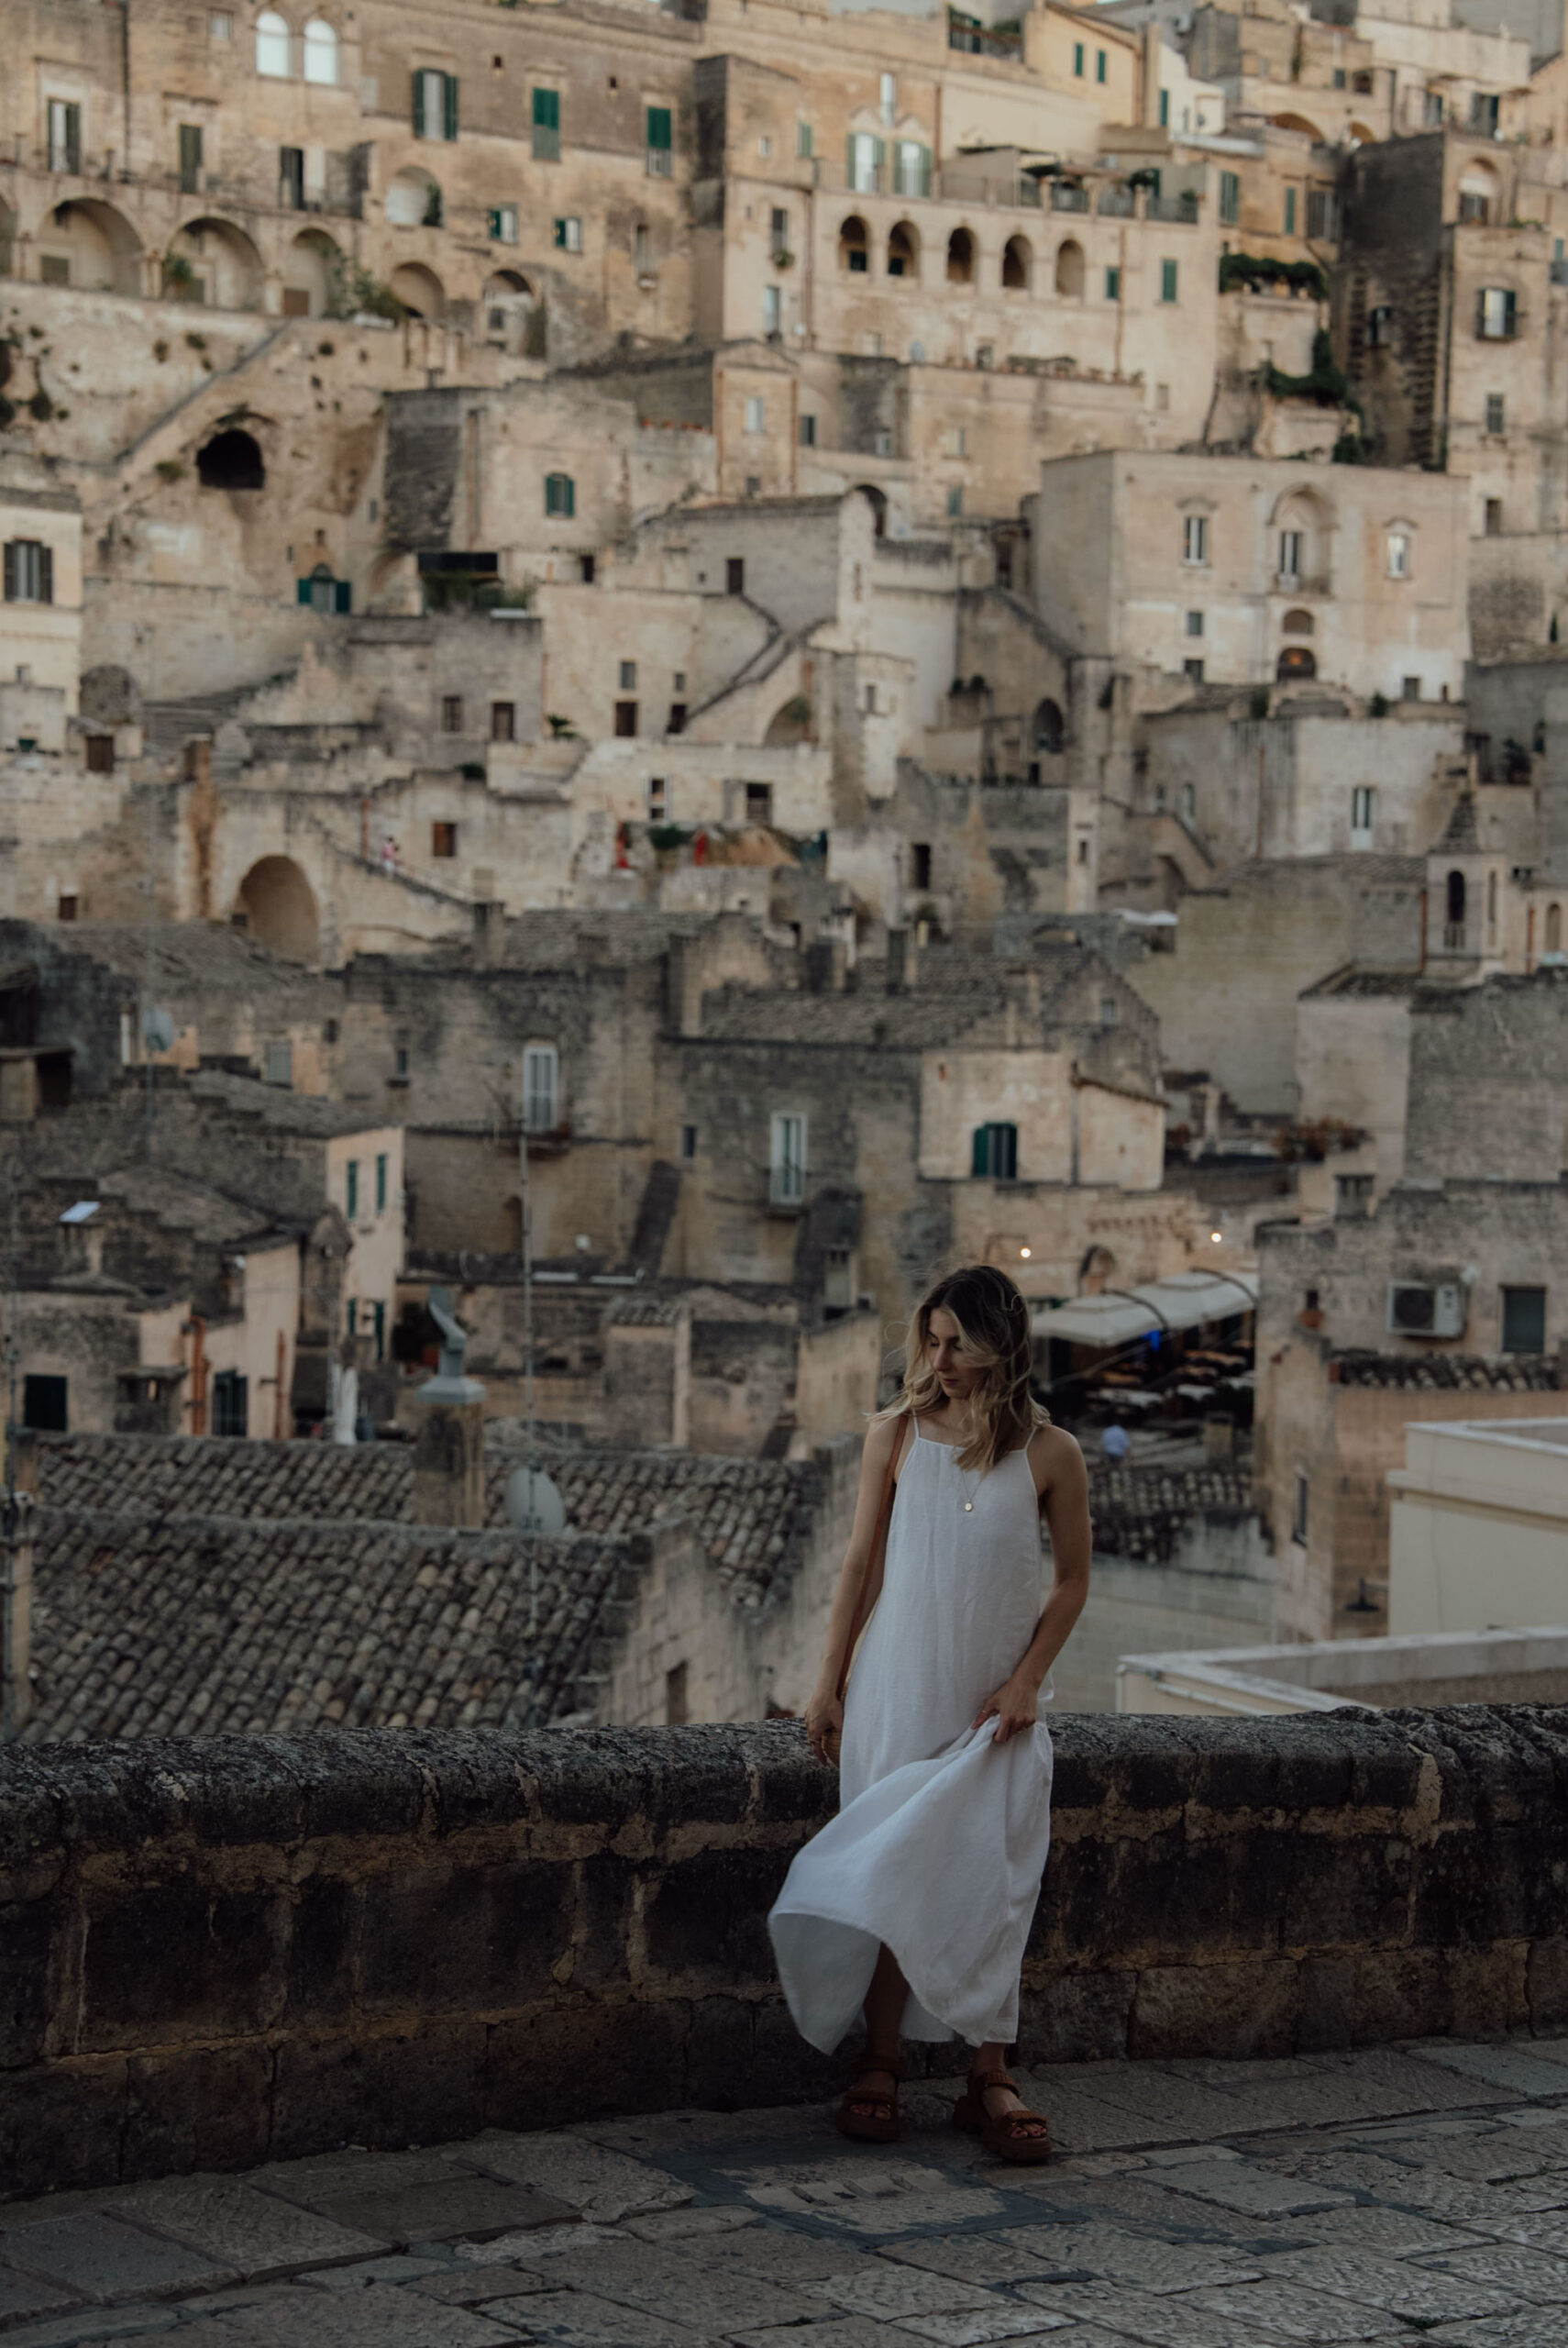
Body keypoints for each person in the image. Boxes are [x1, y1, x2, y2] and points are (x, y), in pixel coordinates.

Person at [768, 1263, 1091, 2163]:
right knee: (891, 1870)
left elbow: (1071, 1583)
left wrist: (1028, 1679)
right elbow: (860, 1565)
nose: (941, 1359)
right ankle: (879, 2057)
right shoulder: (896, 1436)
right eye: (933, 1340)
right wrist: (828, 1683)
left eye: (960, 1342)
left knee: (996, 1873)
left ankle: (988, 2073)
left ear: (1002, 1343)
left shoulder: (1051, 1453)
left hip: (995, 1701)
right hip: (897, 1686)